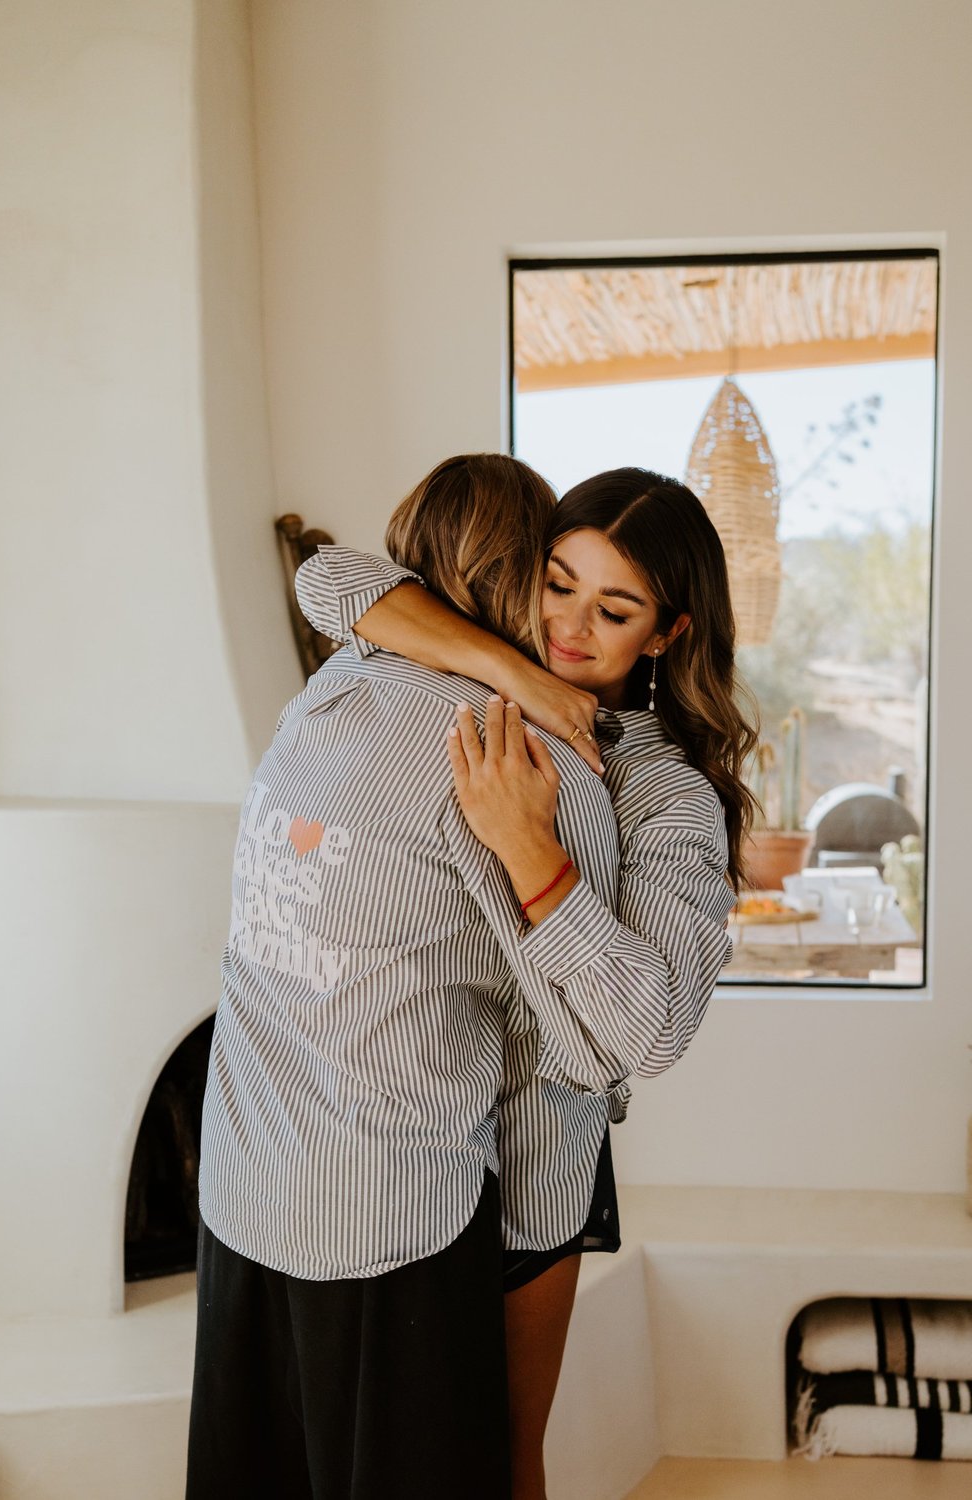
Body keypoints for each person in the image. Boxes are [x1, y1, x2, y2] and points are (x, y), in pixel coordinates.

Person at [188, 454, 674, 1500]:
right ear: (521, 577)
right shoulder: (521, 760)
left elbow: (333, 582)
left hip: (240, 1187)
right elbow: (590, 1050)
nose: (574, 624)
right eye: (557, 587)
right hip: (388, 1221)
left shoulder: (327, 685)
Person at [296, 465, 756, 1500]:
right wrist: (520, 679)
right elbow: (327, 580)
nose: (571, 626)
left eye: (615, 608)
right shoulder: (476, 681)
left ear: (668, 633)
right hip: (402, 1157)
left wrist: (532, 857)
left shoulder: (665, 794)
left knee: (499, 1463)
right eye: (558, 583)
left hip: (526, 1173)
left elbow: (653, 1030)